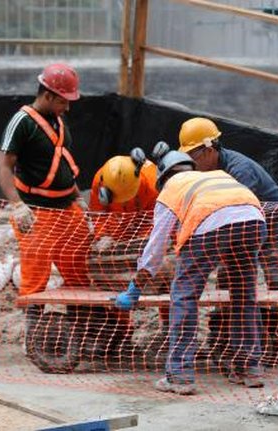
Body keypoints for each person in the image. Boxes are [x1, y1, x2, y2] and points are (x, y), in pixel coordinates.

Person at [113, 148, 267, 395]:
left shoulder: (171, 190)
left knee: (184, 297)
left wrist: (135, 288)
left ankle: (179, 375)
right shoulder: (216, 175)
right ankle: (249, 368)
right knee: (244, 297)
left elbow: (156, 246)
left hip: (210, 225)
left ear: (163, 178)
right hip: (253, 221)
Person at [0, 63, 92, 350]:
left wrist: (77, 197)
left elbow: (59, 163)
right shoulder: (22, 121)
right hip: (37, 212)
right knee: (35, 276)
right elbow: (3, 165)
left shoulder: (58, 121)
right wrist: (17, 206)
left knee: (78, 271)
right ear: (48, 95)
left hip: (66, 207)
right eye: (64, 100)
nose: (68, 107)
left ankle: (85, 335)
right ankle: (35, 340)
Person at [174, 117, 278, 291]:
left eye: (193, 156)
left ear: (209, 150)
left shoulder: (240, 170)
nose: (192, 163)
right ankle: (224, 315)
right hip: (244, 220)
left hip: (274, 218)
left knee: (276, 272)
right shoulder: (206, 170)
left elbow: (234, 210)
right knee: (230, 273)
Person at [88, 147, 159, 240]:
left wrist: (143, 239)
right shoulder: (100, 180)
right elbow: (98, 214)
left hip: (143, 214)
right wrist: (102, 235)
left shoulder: (153, 183)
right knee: (114, 231)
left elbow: (152, 219)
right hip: (116, 219)